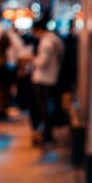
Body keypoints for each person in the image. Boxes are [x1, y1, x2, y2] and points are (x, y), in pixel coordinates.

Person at [28, 16, 64, 145]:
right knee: (46, 107)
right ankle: (47, 134)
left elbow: (42, 62)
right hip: (51, 77)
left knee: (43, 109)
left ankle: (47, 135)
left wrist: (31, 59)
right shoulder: (54, 39)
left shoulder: (46, 43)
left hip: (43, 78)